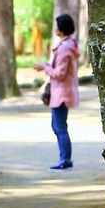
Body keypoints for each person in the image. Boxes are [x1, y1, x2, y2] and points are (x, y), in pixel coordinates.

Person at [36, 13, 80, 170]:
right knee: (58, 126)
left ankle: (65, 160)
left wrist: (45, 67)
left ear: (61, 28)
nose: (55, 28)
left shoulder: (64, 49)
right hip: (62, 91)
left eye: (57, 26)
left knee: (59, 126)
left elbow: (60, 74)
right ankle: (64, 158)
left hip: (61, 93)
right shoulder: (68, 45)